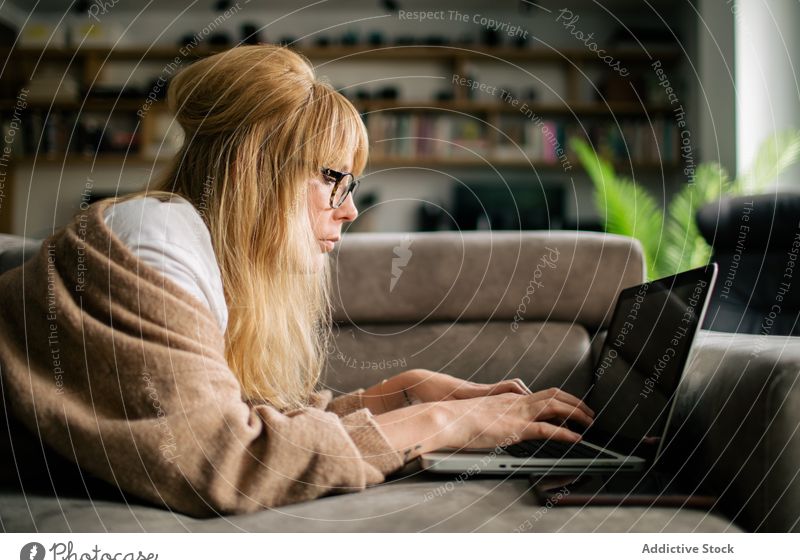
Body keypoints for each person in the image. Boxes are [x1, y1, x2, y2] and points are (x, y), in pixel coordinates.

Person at [0, 44, 593, 518]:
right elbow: (220, 459)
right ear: (255, 167)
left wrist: (398, 395)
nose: (351, 210)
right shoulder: (154, 235)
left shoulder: (193, 252)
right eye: (335, 179)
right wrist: (440, 423)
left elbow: (234, 415)